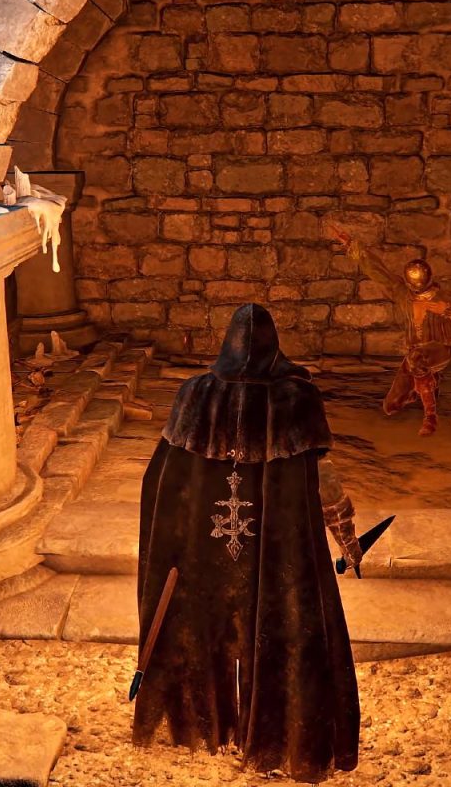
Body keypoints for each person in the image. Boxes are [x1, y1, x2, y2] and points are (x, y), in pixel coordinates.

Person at [133, 303, 361, 783]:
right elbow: (325, 480)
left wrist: (172, 539)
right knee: (281, 629)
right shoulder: (296, 398)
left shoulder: (194, 394)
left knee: (211, 626)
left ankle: (211, 728)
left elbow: (162, 478)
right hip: (277, 550)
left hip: (207, 548)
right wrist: (346, 537)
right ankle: (274, 737)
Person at [329, 225, 451, 436]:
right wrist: (352, 245)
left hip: (440, 350)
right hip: (415, 353)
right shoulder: (404, 294)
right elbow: (379, 272)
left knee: (417, 358)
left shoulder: (446, 298)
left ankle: (430, 416)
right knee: (391, 405)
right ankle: (423, 386)